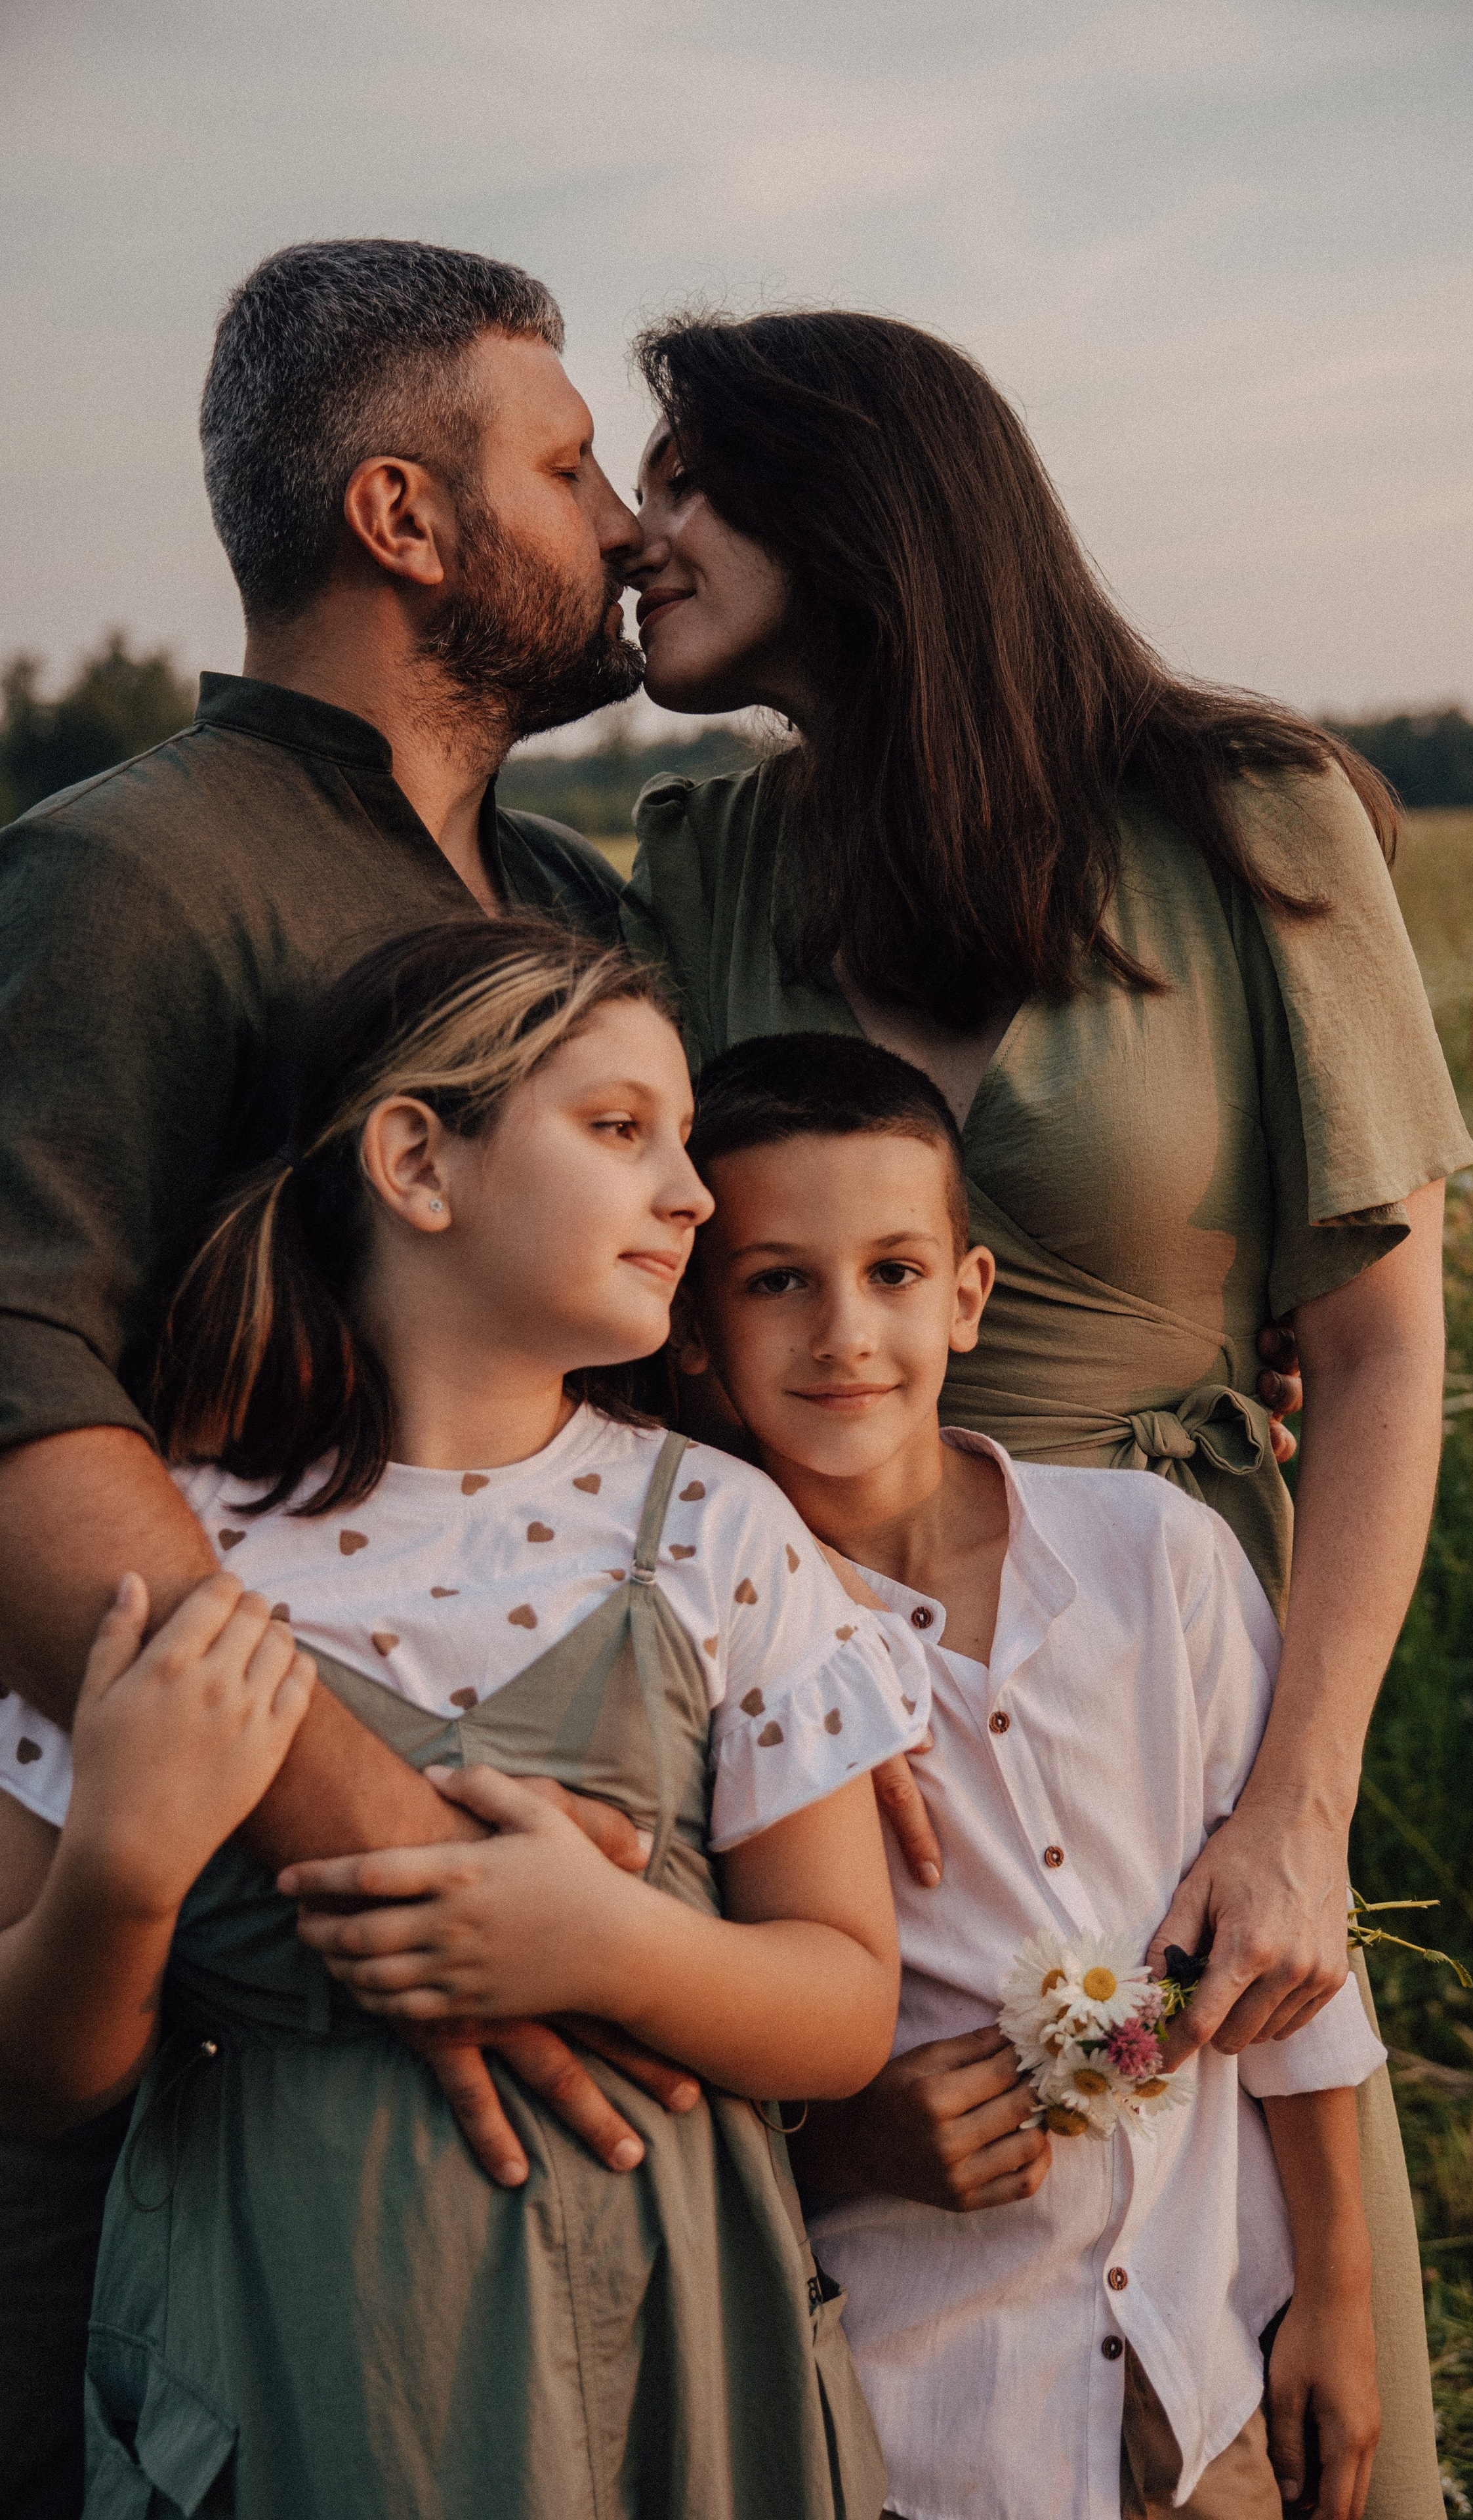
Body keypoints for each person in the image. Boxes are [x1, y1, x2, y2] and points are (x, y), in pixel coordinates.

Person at [619, 307, 1473, 2519]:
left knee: (1276, 2306)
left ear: (863, 509)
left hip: (1176, 1664)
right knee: (911, 2317)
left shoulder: (1244, 823)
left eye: (695, 478)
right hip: (813, 1699)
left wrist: (1300, 1799)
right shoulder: (703, 865)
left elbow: (1377, 1345)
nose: (644, 530)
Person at [0, 238, 671, 2514]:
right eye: (570, 468)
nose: (627, 528)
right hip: (201, 2008)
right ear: (403, 518)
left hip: (600, 1988)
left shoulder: (585, 901)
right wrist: (413, 1883)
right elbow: (16, 1395)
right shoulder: (122, 877)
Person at [0, 918, 924, 2520]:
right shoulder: (169, 1551)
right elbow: (35, 2075)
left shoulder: (714, 1530)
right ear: (418, 1162)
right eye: (622, 1129)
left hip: (669, 2357)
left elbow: (843, 2010)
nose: (693, 1197)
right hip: (300, 2367)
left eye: (685, 1142)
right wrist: (126, 1875)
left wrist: (607, 1943)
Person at [673, 1031, 1387, 2520]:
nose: (842, 1335)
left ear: (968, 1294)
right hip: (919, 2422)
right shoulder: (715, 1636)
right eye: (774, 1280)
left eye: (890, 1271)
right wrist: (845, 2136)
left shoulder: (1156, 1556)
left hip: (1198, 2386)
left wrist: (1335, 2295)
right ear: (694, 1332)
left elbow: (1289, 1966)